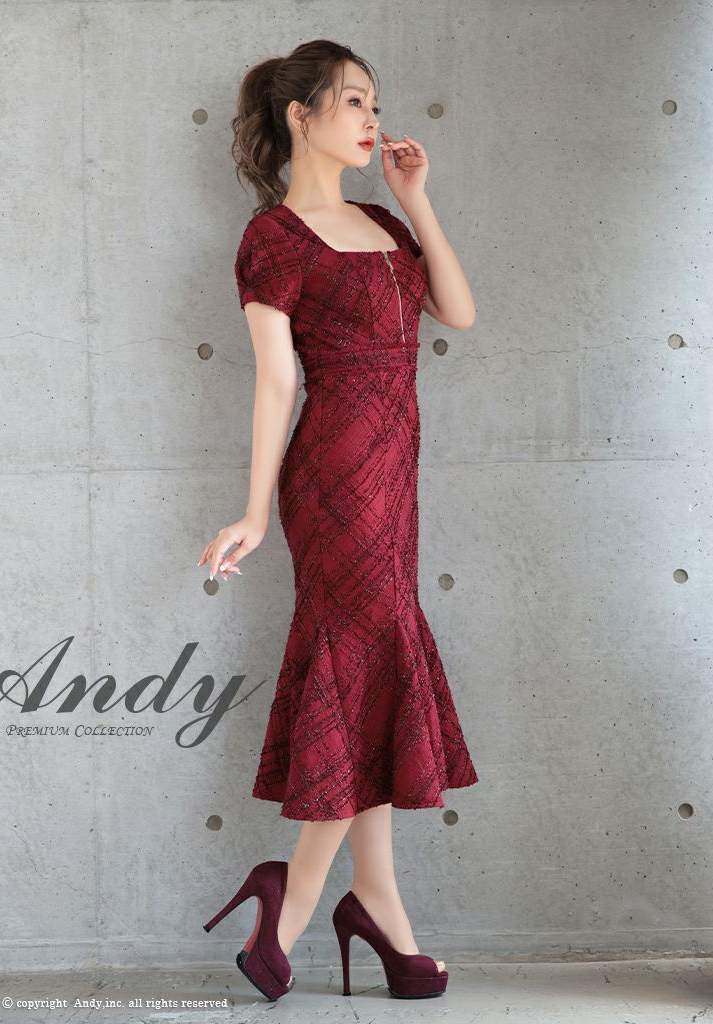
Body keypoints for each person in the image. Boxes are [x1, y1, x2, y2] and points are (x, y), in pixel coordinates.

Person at [199, 39, 478, 1003]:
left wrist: (416, 200)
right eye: (353, 101)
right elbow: (277, 382)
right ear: (300, 115)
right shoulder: (273, 240)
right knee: (360, 666)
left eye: (374, 101)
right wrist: (253, 512)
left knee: (374, 671)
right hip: (333, 482)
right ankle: (302, 898)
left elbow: (457, 311)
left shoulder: (381, 221)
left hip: (396, 479)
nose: (372, 118)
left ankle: (378, 902)